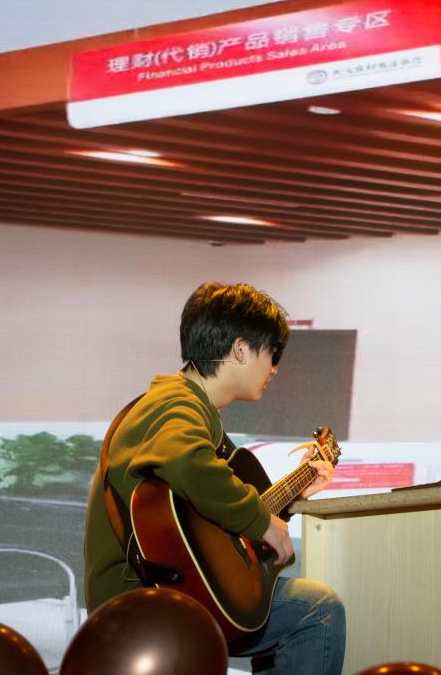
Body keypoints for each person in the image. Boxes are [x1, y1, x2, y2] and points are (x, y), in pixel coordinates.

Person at [83, 281, 345, 675]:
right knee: (317, 611)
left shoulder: (189, 409)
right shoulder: (176, 402)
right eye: (272, 354)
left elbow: (208, 519)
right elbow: (187, 462)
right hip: (145, 604)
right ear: (240, 349)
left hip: (171, 591)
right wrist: (260, 521)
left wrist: (293, 495)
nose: (274, 368)